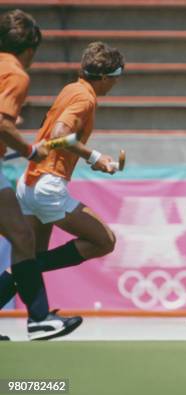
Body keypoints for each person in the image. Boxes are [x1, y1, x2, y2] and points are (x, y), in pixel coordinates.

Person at [0, 41, 124, 338]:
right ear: (106, 77)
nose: (116, 84)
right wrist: (96, 159)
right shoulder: (86, 98)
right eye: (116, 77)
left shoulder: (72, 88)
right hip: (48, 186)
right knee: (104, 240)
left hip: (29, 183)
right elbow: (60, 135)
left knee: (27, 260)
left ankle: (39, 318)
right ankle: (34, 277)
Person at [0, 9, 82, 341]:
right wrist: (30, 150)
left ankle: (39, 317)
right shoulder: (16, 74)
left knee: (22, 238)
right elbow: (2, 124)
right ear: (31, 48)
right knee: (23, 239)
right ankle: (39, 319)